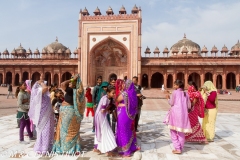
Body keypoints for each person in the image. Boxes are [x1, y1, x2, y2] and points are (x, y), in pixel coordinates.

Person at [52, 74, 85, 154]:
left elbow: (63, 84)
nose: (69, 83)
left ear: (74, 83)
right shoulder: (79, 91)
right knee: (72, 130)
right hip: (72, 112)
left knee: (65, 130)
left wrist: (71, 79)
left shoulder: (71, 90)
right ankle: (73, 148)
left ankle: (66, 148)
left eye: (71, 82)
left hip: (68, 113)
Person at [164, 80, 192, 154]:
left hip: (175, 114)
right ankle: (180, 148)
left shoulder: (175, 92)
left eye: (175, 85)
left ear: (178, 85)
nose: (174, 86)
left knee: (173, 131)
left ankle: (177, 148)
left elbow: (171, 102)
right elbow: (189, 106)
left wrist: (168, 98)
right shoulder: (186, 93)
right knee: (181, 132)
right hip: (183, 115)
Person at [28, 80, 54, 154]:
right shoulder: (37, 92)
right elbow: (45, 88)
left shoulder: (43, 94)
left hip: (47, 115)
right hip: (43, 116)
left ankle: (47, 146)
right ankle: (43, 148)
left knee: (48, 130)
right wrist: (40, 83)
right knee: (44, 131)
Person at [115, 80, 139, 157]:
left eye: (124, 84)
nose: (123, 85)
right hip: (130, 116)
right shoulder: (133, 94)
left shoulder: (124, 94)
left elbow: (117, 100)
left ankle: (125, 151)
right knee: (128, 130)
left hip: (123, 114)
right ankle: (130, 147)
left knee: (122, 131)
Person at [94, 85, 117, 156]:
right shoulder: (105, 99)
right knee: (106, 132)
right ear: (108, 92)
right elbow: (102, 111)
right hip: (100, 117)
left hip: (100, 116)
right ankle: (108, 150)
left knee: (101, 132)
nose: (114, 94)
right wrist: (109, 107)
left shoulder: (108, 98)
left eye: (114, 93)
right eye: (113, 93)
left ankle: (97, 148)